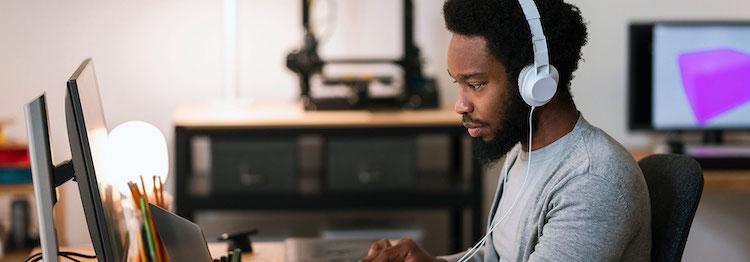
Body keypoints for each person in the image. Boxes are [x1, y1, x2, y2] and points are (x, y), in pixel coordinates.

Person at [361, 0, 651, 261]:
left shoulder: (592, 181)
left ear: (535, 83)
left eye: (474, 85)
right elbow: (495, 257)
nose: (460, 106)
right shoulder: (524, 155)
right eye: (457, 84)